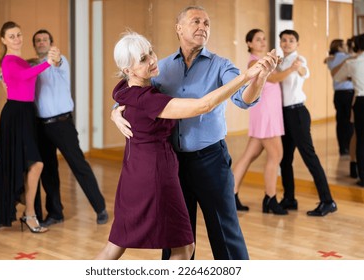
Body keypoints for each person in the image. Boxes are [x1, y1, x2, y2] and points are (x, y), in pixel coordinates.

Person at [111, 6, 278, 260]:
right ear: (179, 28)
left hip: (210, 160)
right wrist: (115, 111)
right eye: (196, 21)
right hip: (173, 164)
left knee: (225, 233)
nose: (203, 26)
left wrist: (259, 79)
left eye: (207, 23)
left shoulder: (221, 65)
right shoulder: (161, 68)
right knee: (177, 239)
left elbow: (243, 99)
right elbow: (135, 94)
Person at [0, 21, 57, 233]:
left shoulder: (20, 60)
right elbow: (25, 76)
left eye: (19, 34)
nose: (17, 39)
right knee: (35, 164)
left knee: (5, 165)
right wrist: (48, 63)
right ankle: (29, 215)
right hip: (14, 114)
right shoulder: (8, 61)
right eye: (12, 36)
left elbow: (24, 80)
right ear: (3, 40)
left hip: (25, 113)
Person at [30, 29, 108, 227]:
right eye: (38, 41)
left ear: (51, 43)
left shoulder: (59, 61)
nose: (41, 43)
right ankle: (55, 213)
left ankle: (100, 208)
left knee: (78, 165)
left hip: (62, 124)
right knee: (48, 171)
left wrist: (54, 58)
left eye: (45, 40)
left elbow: (57, 61)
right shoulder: (33, 66)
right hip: (41, 126)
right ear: (34, 45)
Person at [233, 29, 302, 215]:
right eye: (258, 39)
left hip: (265, 113)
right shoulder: (255, 62)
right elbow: (274, 78)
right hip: (266, 115)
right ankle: (270, 199)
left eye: (264, 38)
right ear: (249, 44)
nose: (263, 42)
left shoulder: (262, 60)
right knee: (276, 155)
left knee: (249, 155)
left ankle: (230, 195)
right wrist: (291, 68)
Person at [277, 29, 337, 216]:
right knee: (285, 159)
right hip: (284, 115)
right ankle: (289, 198)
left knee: (309, 156)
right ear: (280, 42)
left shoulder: (298, 60)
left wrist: (298, 68)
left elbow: (304, 72)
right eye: (284, 40)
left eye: (291, 40)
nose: (287, 43)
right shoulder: (280, 61)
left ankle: (328, 201)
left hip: (298, 114)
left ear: (297, 44)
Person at [334, 33, 364, 186]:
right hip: (357, 99)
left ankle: (362, 177)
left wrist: (352, 77)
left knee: (360, 138)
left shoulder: (352, 63)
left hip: (360, 101)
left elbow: (338, 78)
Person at [326, 39, 355, 157]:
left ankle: (342, 149)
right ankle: (349, 146)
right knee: (350, 121)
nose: (346, 46)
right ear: (338, 47)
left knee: (340, 121)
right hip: (349, 93)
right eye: (343, 45)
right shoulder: (348, 57)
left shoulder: (330, 60)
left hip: (338, 94)